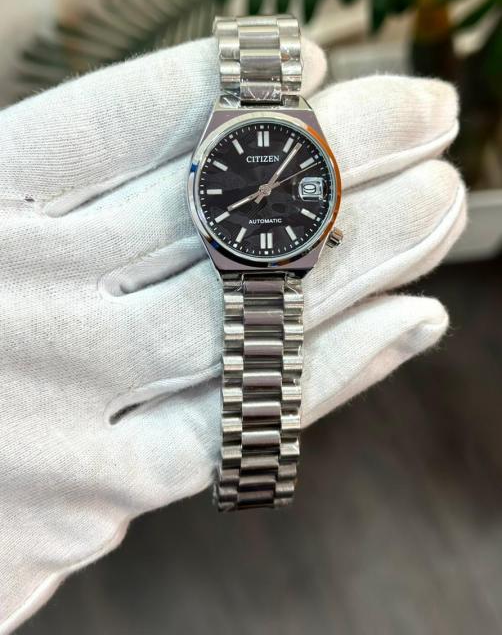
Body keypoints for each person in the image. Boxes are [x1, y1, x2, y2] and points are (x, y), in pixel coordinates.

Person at [0, 36, 465, 633]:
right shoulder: (237, 188)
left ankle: (255, 468)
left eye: (273, 190)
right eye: (261, 190)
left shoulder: (265, 164)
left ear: (329, 223)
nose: (266, 191)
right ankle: (254, 469)